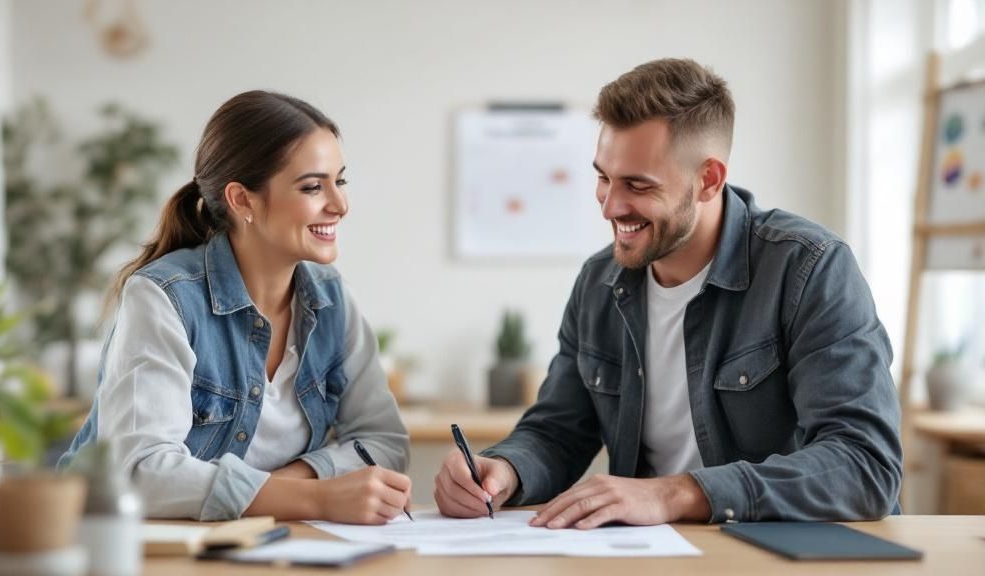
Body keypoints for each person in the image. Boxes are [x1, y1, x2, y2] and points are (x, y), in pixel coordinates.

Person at [434, 58, 902, 528]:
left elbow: (866, 465)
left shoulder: (810, 268)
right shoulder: (599, 283)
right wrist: (506, 469)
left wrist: (677, 492)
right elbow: (558, 430)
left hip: (782, 555)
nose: (611, 207)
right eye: (603, 177)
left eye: (637, 185)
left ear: (709, 180)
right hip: (651, 553)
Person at [60, 91, 411, 523]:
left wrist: (292, 482)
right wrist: (317, 498)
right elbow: (138, 472)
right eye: (313, 187)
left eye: (340, 181)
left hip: (262, 546)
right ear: (243, 200)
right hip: (125, 549)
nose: (340, 205)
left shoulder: (331, 298)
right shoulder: (161, 297)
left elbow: (384, 441)